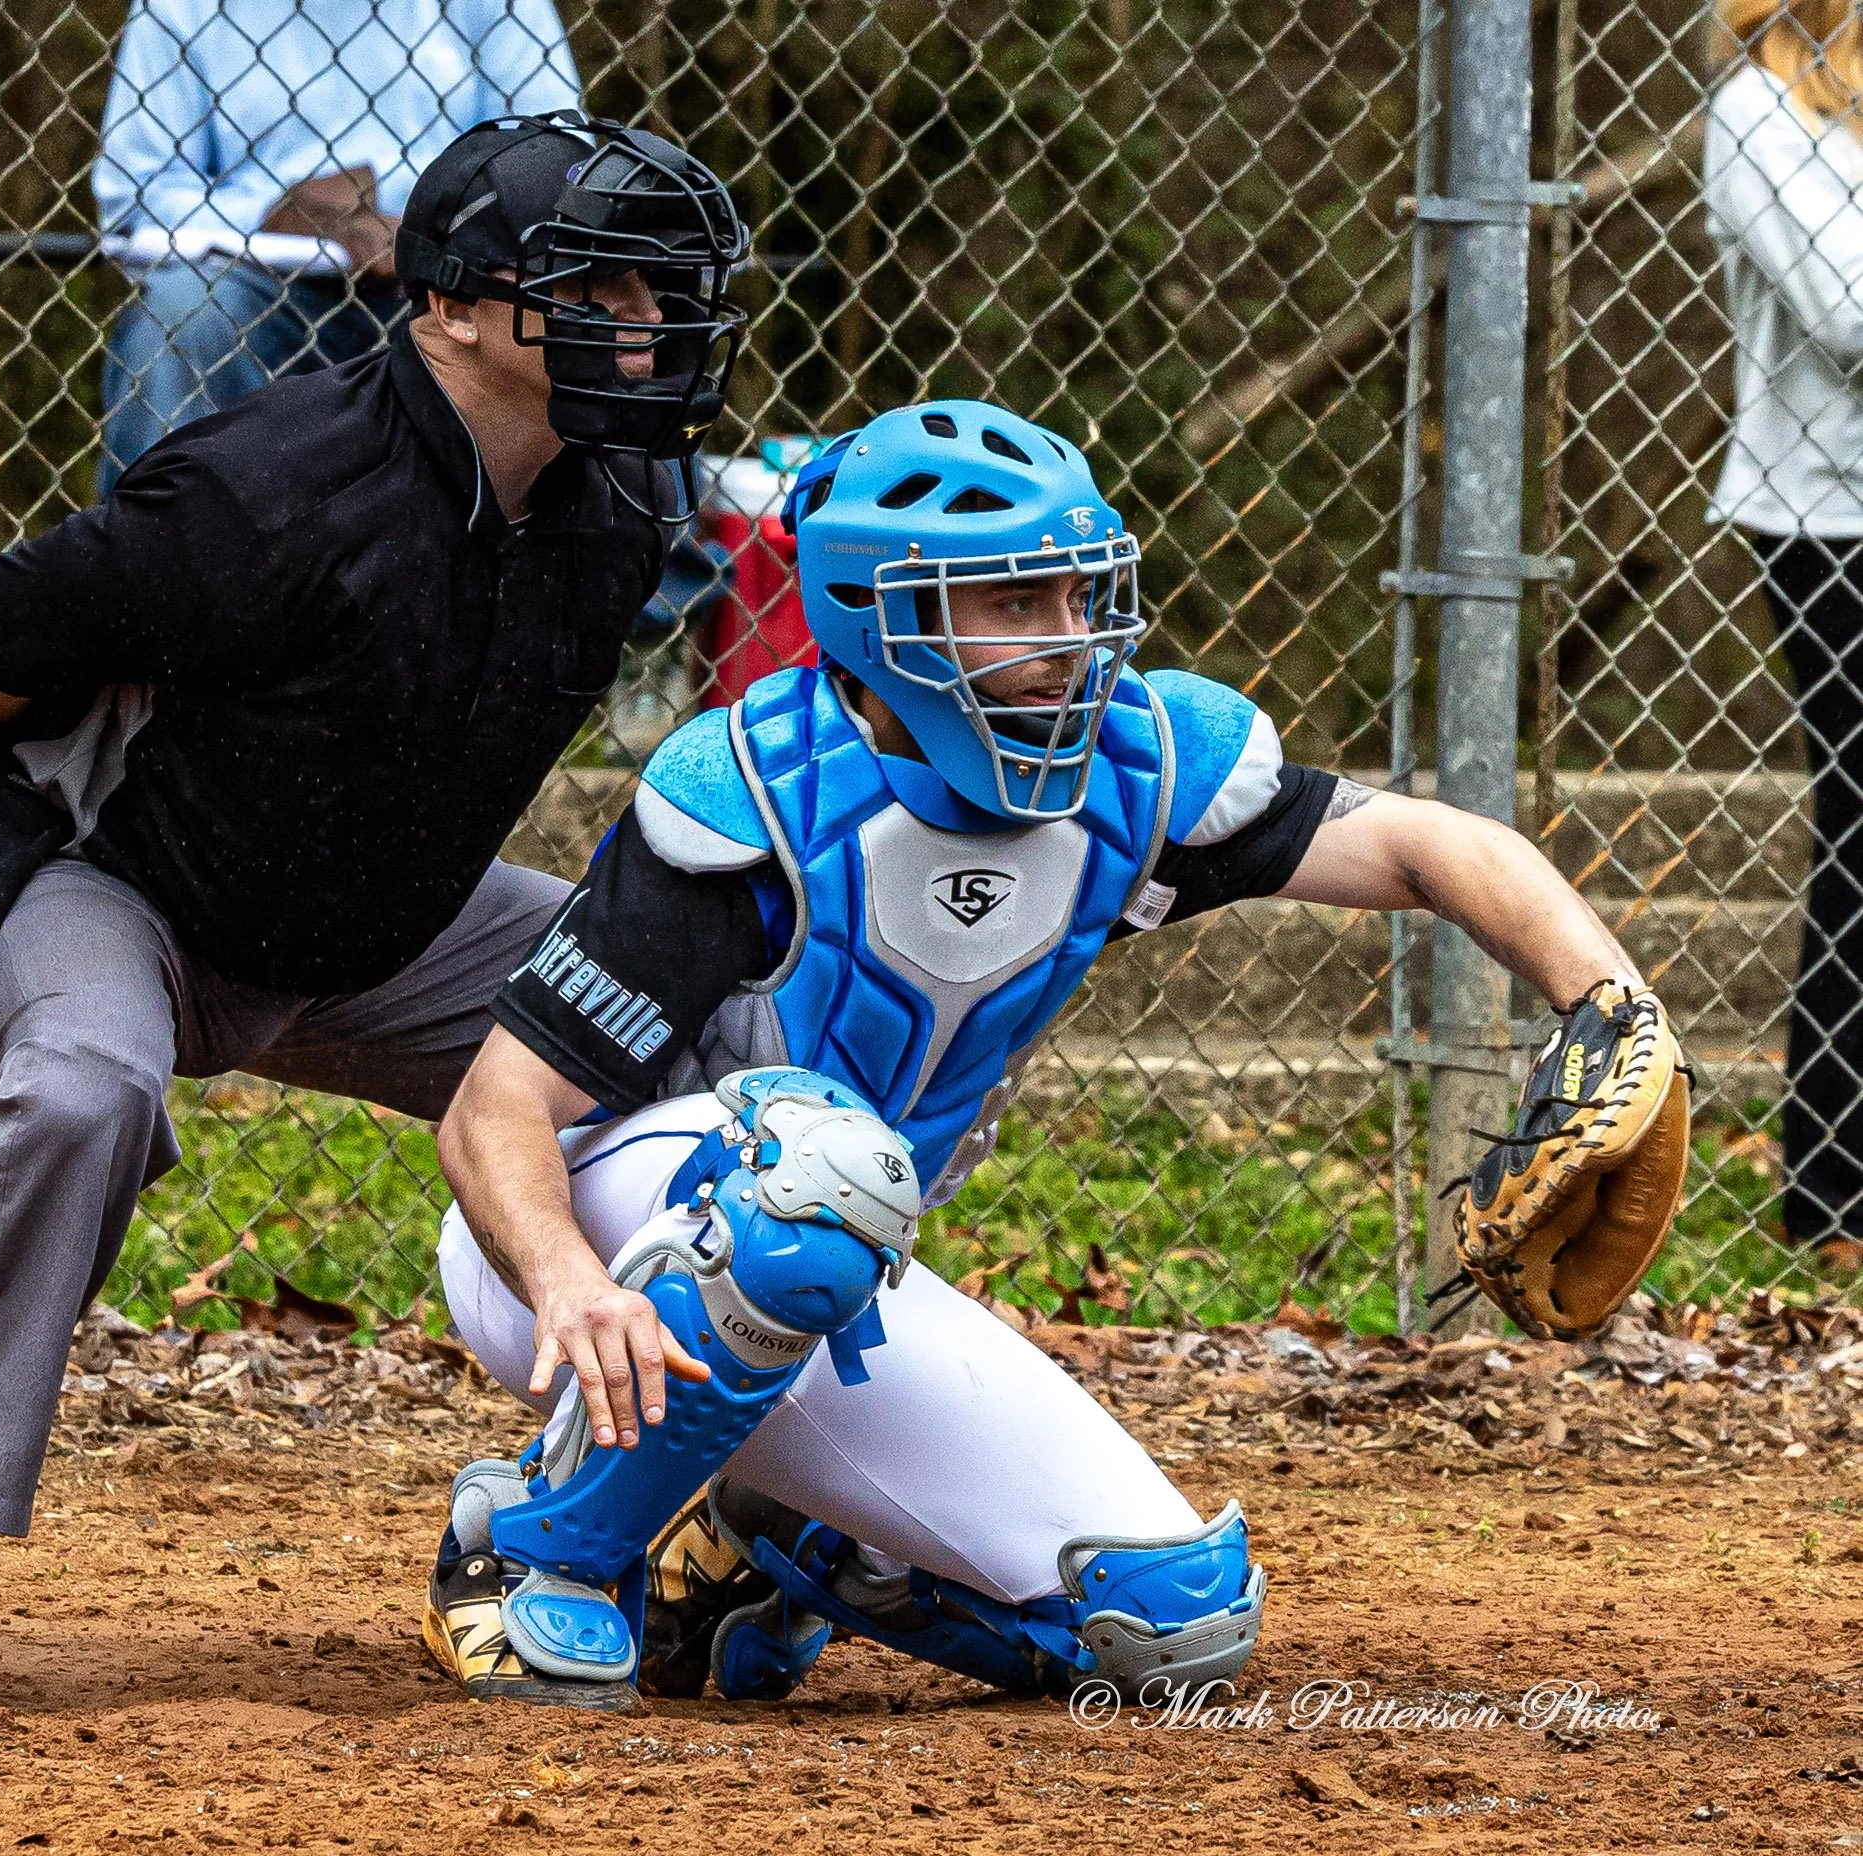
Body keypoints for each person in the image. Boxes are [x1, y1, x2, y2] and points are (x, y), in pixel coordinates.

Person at [416, 398, 1671, 1709]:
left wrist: (1607, 1006)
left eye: (1077, 592)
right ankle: (536, 1551)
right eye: (1012, 600)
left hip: (822, 1270)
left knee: (1165, 1629)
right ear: (869, 611)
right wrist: (566, 1287)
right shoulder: (759, 797)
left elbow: (1428, 845)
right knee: (818, 1184)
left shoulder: (1132, 774)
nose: (1065, 641)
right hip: (581, 1263)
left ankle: (737, 1540)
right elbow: (492, 1113)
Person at [0, 112, 748, 1707]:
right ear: (450, 306)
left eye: (663, 293)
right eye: (604, 291)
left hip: (393, 935)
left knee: (719, 1014)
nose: (647, 328)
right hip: (130, 896)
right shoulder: (261, 489)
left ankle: (722, 1517)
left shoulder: (625, 500)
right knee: (85, 1084)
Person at [92, 0, 580, 496]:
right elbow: (135, 195)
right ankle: (162, 555)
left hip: (449, 276)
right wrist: (275, 216)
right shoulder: (182, 8)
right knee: (180, 319)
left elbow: (557, 158)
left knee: (609, 327)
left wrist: (430, 220)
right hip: (256, 284)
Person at [1706, 0, 1863, 1274]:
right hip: (1827, 522)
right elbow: (1847, 310)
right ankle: (1830, 1187)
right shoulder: (1754, 117)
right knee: (1862, 828)